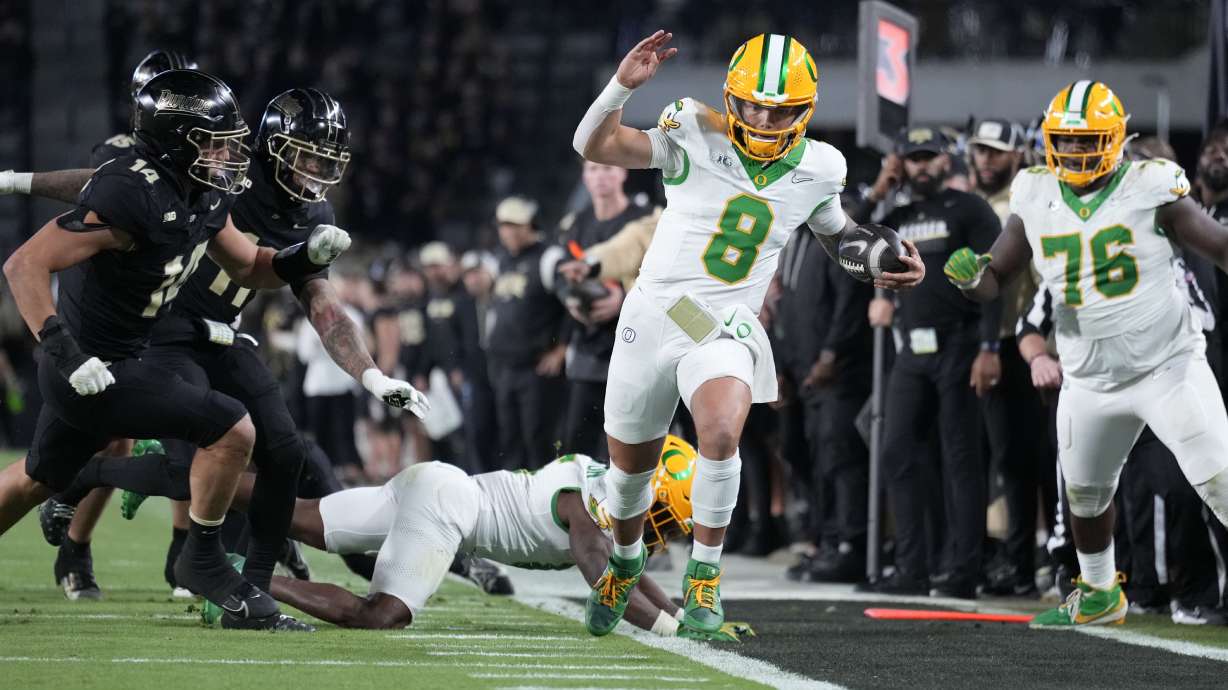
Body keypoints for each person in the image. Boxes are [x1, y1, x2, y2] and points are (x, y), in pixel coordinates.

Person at [15, 88, 432, 615]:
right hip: (164, 330)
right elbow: (110, 188)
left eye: (327, 162)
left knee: (285, 451)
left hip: (223, 334)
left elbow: (315, 300)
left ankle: (252, 578)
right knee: (201, 455)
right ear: (273, 147)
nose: (316, 172)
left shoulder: (298, 203)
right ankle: (111, 497)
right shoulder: (220, 170)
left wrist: (372, 376)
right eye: (306, 157)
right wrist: (19, 182)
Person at [570, 30, 923, 636]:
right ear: (732, 97)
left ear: (805, 110)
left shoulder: (819, 167)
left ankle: (704, 577)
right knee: (629, 476)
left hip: (722, 323)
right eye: (754, 103)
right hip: (654, 313)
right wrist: (621, 87)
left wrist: (879, 262)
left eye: (780, 107)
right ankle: (627, 559)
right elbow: (595, 145)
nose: (763, 116)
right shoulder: (693, 132)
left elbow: (839, 236)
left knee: (722, 428)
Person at [944, 80, 1228, 627]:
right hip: (1089, 377)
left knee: (1219, 482)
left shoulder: (1150, 184)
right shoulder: (1035, 192)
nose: (1075, 151)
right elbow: (996, 275)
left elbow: (1216, 245)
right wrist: (970, 278)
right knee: (1085, 497)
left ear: (1118, 138)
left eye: (1089, 139)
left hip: (1166, 365)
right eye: (1067, 140)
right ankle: (1100, 594)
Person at [0, 48, 199, 601]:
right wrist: (19, 181)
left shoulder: (204, 168)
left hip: (165, 317)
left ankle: (188, 555)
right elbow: (98, 185)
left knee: (200, 427)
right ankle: (81, 546)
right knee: (102, 448)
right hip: (105, 326)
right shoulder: (124, 163)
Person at [856, 127, 1002, 599]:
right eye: (912, 159)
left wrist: (989, 348)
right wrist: (881, 186)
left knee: (960, 458)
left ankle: (964, 571)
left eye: (929, 158)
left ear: (947, 161)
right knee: (896, 450)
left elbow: (993, 281)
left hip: (959, 345)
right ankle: (911, 567)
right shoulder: (897, 215)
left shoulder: (971, 209)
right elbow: (848, 236)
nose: (921, 166)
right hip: (910, 352)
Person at [967, 118, 1049, 596]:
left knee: (1032, 460)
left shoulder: (1027, 204)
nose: (986, 159)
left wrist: (991, 346)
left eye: (997, 151)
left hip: (1026, 345)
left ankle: (1030, 563)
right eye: (981, 150)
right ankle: (1016, 560)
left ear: (1019, 155)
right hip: (1002, 344)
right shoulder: (986, 205)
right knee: (1011, 460)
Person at [556, 161, 650, 458]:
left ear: (623, 171)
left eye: (608, 168)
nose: (601, 177)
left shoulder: (646, 220)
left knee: (633, 444)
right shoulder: (574, 224)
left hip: (637, 348)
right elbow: (562, 274)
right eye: (593, 170)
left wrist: (623, 297)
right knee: (578, 443)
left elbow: (659, 274)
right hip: (589, 348)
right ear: (584, 175)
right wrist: (572, 301)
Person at [485, 196, 568, 470]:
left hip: (537, 368)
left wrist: (562, 348)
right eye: (503, 225)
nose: (507, 232)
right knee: (509, 439)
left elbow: (572, 305)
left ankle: (545, 504)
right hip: (505, 367)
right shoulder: (502, 261)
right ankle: (516, 505)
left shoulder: (549, 257)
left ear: (530, 226)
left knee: (538, 438)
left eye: (514, 225)